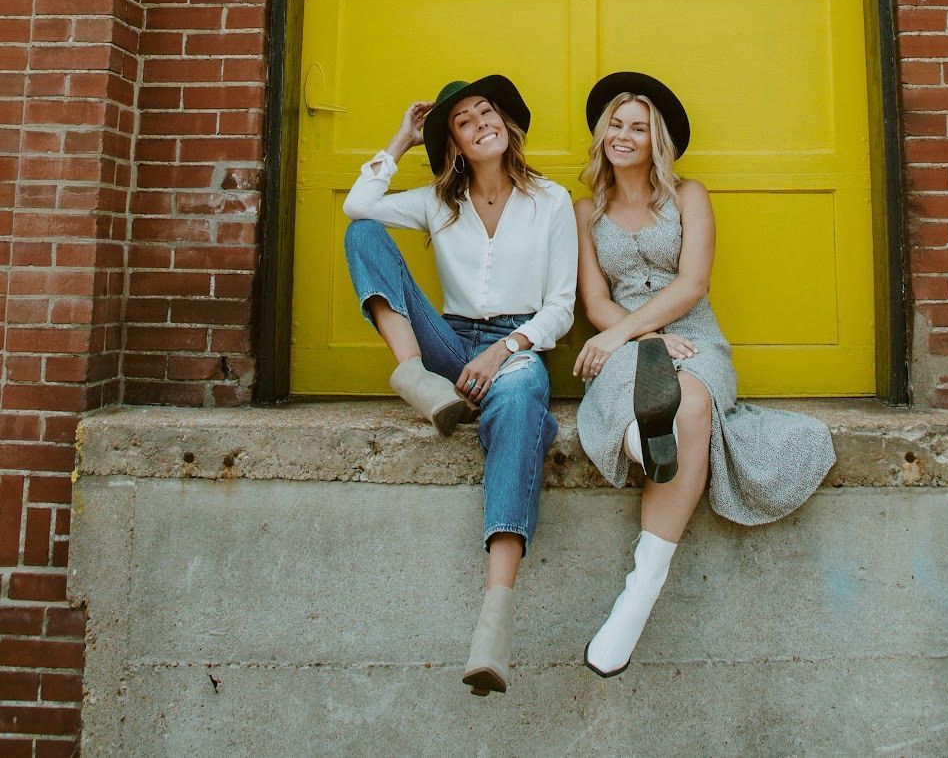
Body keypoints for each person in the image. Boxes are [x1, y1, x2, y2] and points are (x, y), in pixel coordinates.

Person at [574, 71, 836, 677]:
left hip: (693, 339)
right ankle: (647, 441)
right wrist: (635, 335)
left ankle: (640, 590)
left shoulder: (690, 195)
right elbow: (595, 302)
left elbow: (693, 284)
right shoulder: (584, 209)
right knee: (659, 401)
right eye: (616, 124)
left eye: (638, 127)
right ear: (602, 133)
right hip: (627, 344)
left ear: (656, 139)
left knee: (689, 407)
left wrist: (635, 333)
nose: (624, 135)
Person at [342, 74, 577, 696]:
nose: (480, 124)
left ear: (507, 124)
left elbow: (560, 307)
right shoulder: (435, 201)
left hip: (516, 346)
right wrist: (399, 141)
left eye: (486, 112)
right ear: (454, 146)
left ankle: (495, 620)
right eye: (464, 123)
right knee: (362, 236)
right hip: (447, 345)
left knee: (524, 399)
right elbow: (358, 207)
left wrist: (504, 349)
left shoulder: (550, 200)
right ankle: (413, 376)